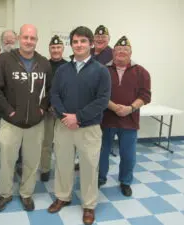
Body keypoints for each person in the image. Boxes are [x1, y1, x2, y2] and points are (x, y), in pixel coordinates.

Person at [48, 26, 111, 225]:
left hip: (89, 128)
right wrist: (65, 117)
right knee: (63, 164)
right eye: (75, 41)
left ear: (91, 44)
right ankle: (63, 197)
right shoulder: (63, 70)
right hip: (64, 125)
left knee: (89, 167)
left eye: (83, 41)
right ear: (71, 44)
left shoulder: (101, 71)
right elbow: (54, 94)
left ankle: (89, 205)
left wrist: (79, 117)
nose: (79, 45)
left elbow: (102, 100)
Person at [0, 24, 52, 212]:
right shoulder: (5, 60)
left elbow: (50, 91)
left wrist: (42, 109)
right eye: (25, 37)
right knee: (7, 162)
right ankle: (5, 194)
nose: (28, 41)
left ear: (37, 40)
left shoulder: (44, 63)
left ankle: (26, 194)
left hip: (35, 124)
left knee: (31, 163)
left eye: (32, 38)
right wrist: (10, 112)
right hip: (10, 124)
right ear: (19, 38)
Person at [99, 36, 151, 196]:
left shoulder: (141, 72)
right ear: (113, 53)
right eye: (118, 50)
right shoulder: (103, 70)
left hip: (130, 120)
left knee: (128, 155)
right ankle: (100, 178)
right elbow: (97, 94)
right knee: (101, 153)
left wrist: (130, 108)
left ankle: (125, 181)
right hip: (106, 120)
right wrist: (114, 107)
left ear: (131, 53)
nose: (121, 52)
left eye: (125, 50)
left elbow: (146, 96)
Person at [74, 25, 113, 171]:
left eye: (103, 37)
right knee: (82, 139)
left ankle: (98, 172)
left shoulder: (113, 54)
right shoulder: (86, 52)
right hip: (83, 105)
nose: (100, 39)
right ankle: (81, 162)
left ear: (109, 39)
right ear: (93, 40)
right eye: (98, 37)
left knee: (99, 143)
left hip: (103, 105)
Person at [40, 35, 67, 182]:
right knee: (46, 142)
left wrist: (60, 107)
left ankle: (62, 169)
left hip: (63, 112)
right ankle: (45, 169)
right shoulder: (43, 65)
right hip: (47, 111)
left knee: (64, 143)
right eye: (53, 47)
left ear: (62, 49)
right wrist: (47, 106)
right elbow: (41, 89)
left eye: (58, 47)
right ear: (49, 49)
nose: (56, 50)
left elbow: (70, 90)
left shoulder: (69, 66)